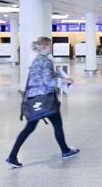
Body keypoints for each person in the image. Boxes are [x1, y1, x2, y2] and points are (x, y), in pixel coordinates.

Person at [6, 37, 78, 167]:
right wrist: (65, 80)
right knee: (57, 125)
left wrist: (55, 74)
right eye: (50, 45)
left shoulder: (37, 60)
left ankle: (12, 156)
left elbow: (41, 77)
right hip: (45, 99)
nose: (51, 47)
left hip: (34, 99)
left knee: (29, 128)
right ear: (45, 46)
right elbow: (48, 82)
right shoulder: (46, 61)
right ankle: (65, 151)